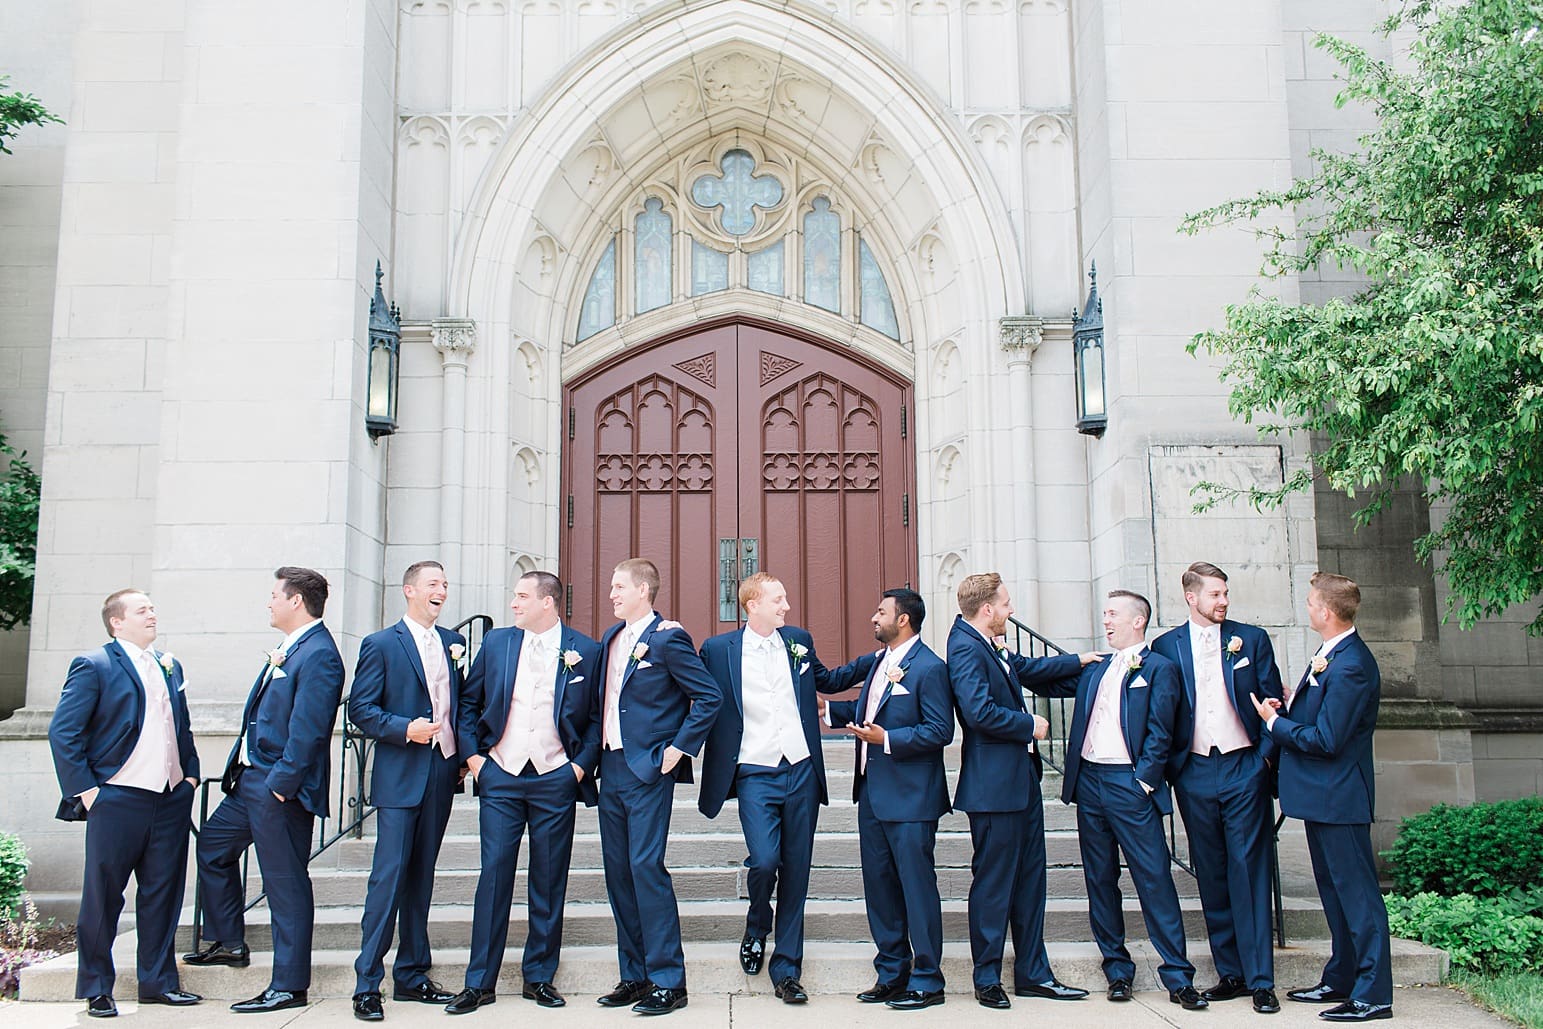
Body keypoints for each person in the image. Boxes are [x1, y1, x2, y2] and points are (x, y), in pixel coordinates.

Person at [696, 572, 873, 1005]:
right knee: (764, 859)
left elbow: (828, 680)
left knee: (796, 870)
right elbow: (695, 693)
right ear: (752, 604)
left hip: (800, 770)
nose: (786, 606)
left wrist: (882, 656)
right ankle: (758, 921)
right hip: (754, 770)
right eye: (779, 599)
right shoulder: (719, 651)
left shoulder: (797, 639)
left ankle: (787, 969)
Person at [184, 567, 345, 1014]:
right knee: (213, 849)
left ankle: (290, 984)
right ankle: (228, 940)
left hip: (279, 788)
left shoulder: (320, 654)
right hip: (249, 782)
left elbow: (310, 730)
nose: (268, 601)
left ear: (296, 601)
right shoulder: (290, 648)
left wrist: (281, 785)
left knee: (285, 883)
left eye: (274, 594)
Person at [445, 571, 601, 1014]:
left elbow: (593, 718)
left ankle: (539, 977)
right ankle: (479, 982)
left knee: (549, 880)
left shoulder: (584, 651)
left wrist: (576, 768)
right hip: (501, 775)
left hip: (555, 777)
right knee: (493, 875)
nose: (513, 604)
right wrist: (475, 760)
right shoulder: (497, 643)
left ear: (547, 603)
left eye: (521, 597)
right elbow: (468, 702)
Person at [48, 589, 202, 1019]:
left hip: (170, 799)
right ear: (117, 621)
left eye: (153, 607)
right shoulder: (94, 665)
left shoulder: (170, 665)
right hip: (116, 799)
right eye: (142, 610)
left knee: (163, 894)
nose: (152, 614)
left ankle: (157, 983)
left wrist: (189, 776)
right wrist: (90, 792)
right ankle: (97, 987)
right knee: (104, 896)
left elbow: (181, 727)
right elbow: (64, 733)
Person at [946, 573, 1098, 1008]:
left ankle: (1033, 973)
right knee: (994, 886)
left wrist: (1080, 662)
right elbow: (977, 712)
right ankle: (987, 977)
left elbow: (1027, 669)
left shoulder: (989, 643)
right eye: (1007, 605)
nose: (1011, 612)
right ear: (988, 609)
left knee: (1031, 882)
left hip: (1020, 783)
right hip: (993, 789)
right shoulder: (964, 647)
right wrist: (1028, 725)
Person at [1251, 572, 1391, 1023]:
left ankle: (1374, 994)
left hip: (1340, 797)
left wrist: (1275, 727)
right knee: (1334, 893)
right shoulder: (1330, 652)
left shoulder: (1351, 663)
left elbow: (1329, 738)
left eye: (1311, 602)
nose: (1308, 607)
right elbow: (1322, 714)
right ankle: (1341, 977)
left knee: (1359, 897)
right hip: (1319, 796)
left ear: (1326, 612)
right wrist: (1289, 707)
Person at [1055, 590, 1204, 1009]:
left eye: (1113, 614)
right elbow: (1039, 678)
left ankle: (1177, 976)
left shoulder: (1160, 668)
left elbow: (1163, 730)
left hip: (1129, 783)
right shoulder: (1095, 669)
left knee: (1153, 877)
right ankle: (1117, 971)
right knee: (1100, 879)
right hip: (1090, 782)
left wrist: (1143, 781)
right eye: (1105, 613)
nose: (1106, 620)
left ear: (1138, 621)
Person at [1151, 561, 1284, 1014]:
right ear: (1192, 597)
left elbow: (1273, 700)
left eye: (1225, 593)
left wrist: (1264, 757)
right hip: (1194, 770)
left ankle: (1261, 979)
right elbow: (1160, 709)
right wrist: (1173, 768)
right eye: (1215, 595)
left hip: (1244, 765)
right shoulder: (1165, 646)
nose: (1223, 601)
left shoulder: (1252, 639)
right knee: (1211, 871)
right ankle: (1231, 973)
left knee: (1249, 869)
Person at [593, 558, 723, 1016]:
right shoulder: (610, 639)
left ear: (644, 591)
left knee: (646, 867)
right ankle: (634, 975)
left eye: (619, 586)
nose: (611, 594)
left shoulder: (668, 638)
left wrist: (679, 749)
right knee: (619, 874)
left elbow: (709, 696)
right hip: (609, 768)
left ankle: (669, 980)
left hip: (648, 769)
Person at [821, 588, 953, 1011]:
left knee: (916, 890)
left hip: (913, 800)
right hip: (873, 796)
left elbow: (940, 730)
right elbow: (867, 707)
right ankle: (892, 973)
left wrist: (888, 739)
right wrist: (828, 711)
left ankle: (929, 979)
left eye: (881, 612)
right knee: (880, 889)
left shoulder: (930, 667)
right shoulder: (880, 661)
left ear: (904, 621)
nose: (872, 617)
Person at [346, 561, 466, 1020]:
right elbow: (361, 708)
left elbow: (459, 703)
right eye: (434, 584)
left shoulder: (454, 643)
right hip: (400, 775)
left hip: (440, 772)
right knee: (388, 877)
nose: (442, 591)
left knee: (422, 878)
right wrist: (404, 728)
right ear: (410, 590)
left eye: (446, 585)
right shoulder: (380, 644)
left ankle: (413, 975)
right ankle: (366, 983)